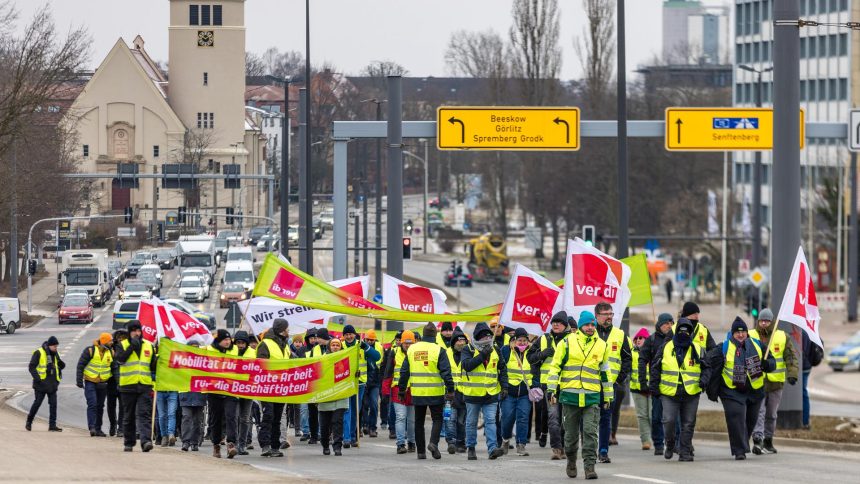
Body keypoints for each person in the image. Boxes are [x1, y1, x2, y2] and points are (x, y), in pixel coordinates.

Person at [546, 311, 610, 480]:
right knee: (571, 435)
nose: (590, 327)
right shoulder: (567, 342)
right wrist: (551, 389)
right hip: (570, 396)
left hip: (592, 396)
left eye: (592, 325)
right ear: (581, 325)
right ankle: (572, 461)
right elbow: (555, 368)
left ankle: (590, 466)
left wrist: (608, 396)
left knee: (590, 432)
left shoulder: (601, 345)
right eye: (587, 324)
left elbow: (605, 373)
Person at [702, 316, 775, 460]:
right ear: (732, 333)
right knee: (736, 417)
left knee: (751, 420)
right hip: (731, 390)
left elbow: (772, 362)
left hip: (754, 390)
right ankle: (739, 451)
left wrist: (767, 364)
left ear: (747, 333)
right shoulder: (724, 347)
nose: (741, 335)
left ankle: (743, 443)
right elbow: (708, 361)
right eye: (737, 332)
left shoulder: (757, 344)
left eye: (743, 332)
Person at [398, 323, 454, 460]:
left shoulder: (412, 349)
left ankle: (421, 452)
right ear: (435, 335)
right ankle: (433, 443)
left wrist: (401, 389)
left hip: (418, 392)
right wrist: (451, 389)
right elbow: (446, 372)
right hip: (435, 392)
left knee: (419, 422)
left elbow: (404, 371)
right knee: (437, 419)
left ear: (423, 335)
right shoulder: (439, 350)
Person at [649, 318, 703, 462]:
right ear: (676, 331)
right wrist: (654, 387)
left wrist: (705, 381)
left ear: (691, 333)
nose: (684, 334)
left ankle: (685, 452)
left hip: (691, 392)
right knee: (669, 420)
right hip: (669, 392)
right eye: (681, 330)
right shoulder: (666, 347)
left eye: (687, 331)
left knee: (688, 423)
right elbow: (655, 367)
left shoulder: (697, 349)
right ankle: (670, 443)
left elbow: (707, 367)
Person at [750, 308, 799, 455]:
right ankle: (757, 439)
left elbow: (790, 357)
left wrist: (792, 374)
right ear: (758, 321)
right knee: (759, 411)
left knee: (771, 414)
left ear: (772, 322)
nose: (764, 323)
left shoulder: (782, 337)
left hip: (776, 383)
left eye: (767, 321)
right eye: (761, 320)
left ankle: (768, 440)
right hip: (757, 381)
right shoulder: (751, 335)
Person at [461, 322, 507, 461]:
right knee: (471, 422)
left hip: (491, 393)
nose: (487, 340)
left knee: (491, 421)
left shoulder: (495, 349)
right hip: (473, 393)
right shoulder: (467, 349)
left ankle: (492, 448)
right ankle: (471, 448)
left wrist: (504, 387)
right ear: (477, 338)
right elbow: (467, 366)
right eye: (483, 337)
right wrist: (482, 356)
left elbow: (502, 368)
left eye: (488, 337)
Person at [527, 310, 570, 459]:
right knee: (553, 417)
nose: (556, 324)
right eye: (554, 322)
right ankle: (556, 449)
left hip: (568, 385)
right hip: (549, 386)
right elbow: (530, 357)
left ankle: (564, 446)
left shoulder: (573, 339)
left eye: (559, 322)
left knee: (566, 418)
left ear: (565, 325)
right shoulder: (543, 339)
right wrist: (543, 353)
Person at [594, 301, 631, 464]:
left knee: (605, 417)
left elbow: (627, 359)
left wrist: (619, 379)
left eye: (611, 314)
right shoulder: (589, 332)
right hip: (589, 385)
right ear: (597, 316)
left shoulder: (620, 334)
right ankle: (587, 449)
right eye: (606, 314)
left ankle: (603, 451)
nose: (609, 317)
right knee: (587, 419)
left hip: (610, 386)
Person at [115, 320, 156, 452]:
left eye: (138, 331)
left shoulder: (149, 346)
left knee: (144, 414)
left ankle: (146, 441)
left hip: (144, 385)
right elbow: (120, 360)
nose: (136, 334)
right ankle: (129, 442)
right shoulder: (122, 345)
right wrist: (132, 347)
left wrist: (159, 356)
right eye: (133, 331)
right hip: (128, 386)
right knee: (129, 415)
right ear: (129, 332)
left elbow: (152, 366)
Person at [638, 312, 675, 455]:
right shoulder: (651, 340)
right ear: (659, 324)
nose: (669, 326)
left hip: (673, 386)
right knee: (657, 417)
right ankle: (659, 444)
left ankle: (673, 442)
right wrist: (643, 382)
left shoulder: (676, 340)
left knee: (672, 418)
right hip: (657, 385)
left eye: (671, 323)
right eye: (666, 323)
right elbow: (642, 360)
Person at [256, 318, 291, 457]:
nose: (289, 331)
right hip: (267, 387)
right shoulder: (265, 344)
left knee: (277, 417)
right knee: (268, 415)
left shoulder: (286, 345)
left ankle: (275, 446)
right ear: (282, 330)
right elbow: (261, 365)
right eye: (287, 328)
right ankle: (265, 445)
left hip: (281, 387)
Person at [342, 324, 380, 448]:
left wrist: (366, 347)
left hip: (360, 384)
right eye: (346, 334)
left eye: (350, 334)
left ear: (354, 334)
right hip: (345, 384)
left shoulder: (361, 345)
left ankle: (353, 437)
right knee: (347, 410)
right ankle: (346, 437)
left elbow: (377, 356)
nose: (349, 336)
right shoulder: (341, 346)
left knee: (355, 411)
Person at [500, 327, 537, 456]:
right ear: (514, 340)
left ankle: (521, 445)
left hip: (525, 393)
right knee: (507, 418)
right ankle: (505, 440)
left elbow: (535, 370)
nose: (522, 343)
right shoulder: (506, 350)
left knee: (523, 418)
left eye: (525, 340)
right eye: (519, 340)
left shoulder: (532, 351)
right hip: (509, 392)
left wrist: (535, 386)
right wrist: (503, 386)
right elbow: (501, 369)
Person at [206, 329, 239, 458]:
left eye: (229, 339)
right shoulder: (208, 350)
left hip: (230, 388)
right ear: (218, 341)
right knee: (215, 419)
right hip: (214, 389)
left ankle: (231, 444)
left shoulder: (234, 349)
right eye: (225, 339)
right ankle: (216, 445)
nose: (227, 342)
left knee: (231, 417)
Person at [76, 332, 113, 437]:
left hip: (103, 383)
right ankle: (92, 427)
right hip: (90, 381)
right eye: (110, 341)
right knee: (92, 404)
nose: (112, 342)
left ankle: (98, 429)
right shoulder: (90, 350)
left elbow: (114, 369)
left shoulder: (111, 352)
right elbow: (81, 365)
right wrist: (79, 380)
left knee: (100, 406)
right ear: (105, 341)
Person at [26, 335, 65, 432]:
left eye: (57, 346)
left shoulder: (55, 353)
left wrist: (61, 365)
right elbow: (31, 367)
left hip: (52, 384)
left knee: (53, 405)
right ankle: (29, 421)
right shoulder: (39, 352)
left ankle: (52, 425)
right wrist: (38, 379)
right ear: (50, 345)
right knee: (37, 403)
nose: (56, 348)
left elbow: (57, 365)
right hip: (41, 384)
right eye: (55, 346)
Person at [319, 338, 350, 456]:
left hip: (340, 396)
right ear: (329, 347)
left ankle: (337, 446)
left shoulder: (346, 359)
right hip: (326, 396)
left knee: (337, 422)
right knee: (324, 425)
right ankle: (325, 445)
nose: (335, 347)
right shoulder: (322, 359)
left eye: (338, 345)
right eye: (333, 345)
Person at [388, 329, 416, 454]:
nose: (408, 346)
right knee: (400, 417)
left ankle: (411, 442)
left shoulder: (417, 353)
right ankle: (400, 444)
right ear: (401, 343)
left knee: (411, 419)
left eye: (410, 343)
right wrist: (385, 391)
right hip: (397, 389)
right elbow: (387, 372)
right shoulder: (394, 352)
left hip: (413, 390)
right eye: (406, 343)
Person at [232, 330, 257, 455]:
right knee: (234, 418)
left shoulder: (253, 353)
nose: (240, 345)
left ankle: (242, 445)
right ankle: (234, 444)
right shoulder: (230, 352)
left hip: (248, 390)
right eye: (238, 343)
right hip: (234, 389)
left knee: (245, 419)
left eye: (242, 343)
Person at [444, 327, 468, 454]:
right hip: (449, 393)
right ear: (454, 342)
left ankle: (461, 442)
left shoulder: (468, 354)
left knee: (461, 420)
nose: (462, 343)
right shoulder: (445, 353)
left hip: (464, 393)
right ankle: (451, 442)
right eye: (459, 341)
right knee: (449, 419)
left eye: (463, 341)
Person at [179, 341, 206, 452]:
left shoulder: (203, 361)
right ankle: (186, 442)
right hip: (186, 393)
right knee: (186, 418)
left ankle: (195, 442)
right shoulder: (182, 361)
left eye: (196, 347)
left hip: (199, 394)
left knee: (197, 420)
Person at [629, 328, 652, 450]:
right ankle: (645, 441)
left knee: (653, 415)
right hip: (637, 389)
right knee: (642, 415)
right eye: (636, 338)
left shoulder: (653, 352)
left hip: (652, 389)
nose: (638, 340)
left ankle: (656, 437)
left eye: (641, 338)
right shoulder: (632, 353)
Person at [362, 329, 384, 438]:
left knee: (374, 405)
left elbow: (381, 362)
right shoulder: (361, 347)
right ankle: (364, 425)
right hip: (363, 380)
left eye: (372, 340)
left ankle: (372, 428)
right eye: (368, 339)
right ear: (364, 338)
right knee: (364, 405)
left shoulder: (379, 347)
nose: (370, 341)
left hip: (375, 381)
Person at [107, 329, 128, 437]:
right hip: (111, 382)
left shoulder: (128, 348)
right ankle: (113, 425)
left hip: (124, 381)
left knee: (123, 407)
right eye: (119, 338)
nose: (121, 340)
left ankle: (121, 428)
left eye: (123, 338)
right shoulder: (111, 349)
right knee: (111, 406)